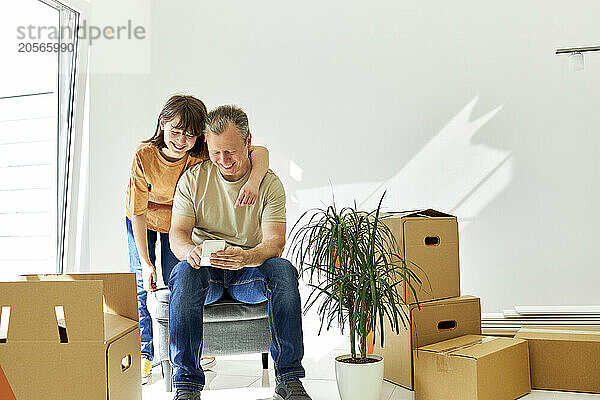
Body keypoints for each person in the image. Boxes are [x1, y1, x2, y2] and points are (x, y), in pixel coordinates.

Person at [168, 105, 312, 400]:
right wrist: (190, 252)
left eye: (231, 152)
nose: (224, 160)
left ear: (249, 143)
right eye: (216, 152)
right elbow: (177, 235)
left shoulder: (268, 184)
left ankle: (289, 380)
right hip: (205, 273)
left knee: (283, 269)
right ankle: (186, 387)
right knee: (183, 271)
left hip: (248, 272)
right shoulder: (194, 180)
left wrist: (247, 257)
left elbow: (275, 243)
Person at [125, 95, 271, 385]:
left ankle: (190, 348)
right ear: (162, 124)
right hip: (143, 218)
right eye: (175, 132)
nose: (181, 140)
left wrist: (253, 183)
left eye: (190, 135)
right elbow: (137, 213)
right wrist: (145, 261)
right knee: (142, 281)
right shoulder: (144, 156)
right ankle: (144, 353)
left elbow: (261, 151)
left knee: (177, 279)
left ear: (200, 135)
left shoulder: (204, 152)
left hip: (177, 224)